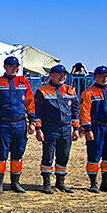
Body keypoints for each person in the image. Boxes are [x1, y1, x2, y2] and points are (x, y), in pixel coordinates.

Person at [0, 56, 36, 194]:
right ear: (5, 67)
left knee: (18, 154)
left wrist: (32, 122)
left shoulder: (24, 82)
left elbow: (30, 103)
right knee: (1, 154)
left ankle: (15, 182)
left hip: (20, 124)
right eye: (11, 66)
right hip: (3, 124)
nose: (15, 68)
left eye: (17, 66)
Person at [34, 64, 80, 194]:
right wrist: (39, 129)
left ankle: (60, 182)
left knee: (64, 155)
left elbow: (75, 110)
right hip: (50, 129)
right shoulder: (42, 91)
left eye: (64, 74)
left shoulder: (70, 90)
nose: (62, 76)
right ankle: (46, 183)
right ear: (51, 75)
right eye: (59, 74)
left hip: (66, 129)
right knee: (48, 156)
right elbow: (37, 112)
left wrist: (76, 128)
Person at [80, 65, 107, 193]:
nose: (104, 78)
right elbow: (84, 112)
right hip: (96, 128)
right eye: (101, 76)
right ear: (95, 77)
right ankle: (93, 184)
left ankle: (105, 183)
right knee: (94, 156)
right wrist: (88, 129)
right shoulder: (88, 93)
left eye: (106, 76)